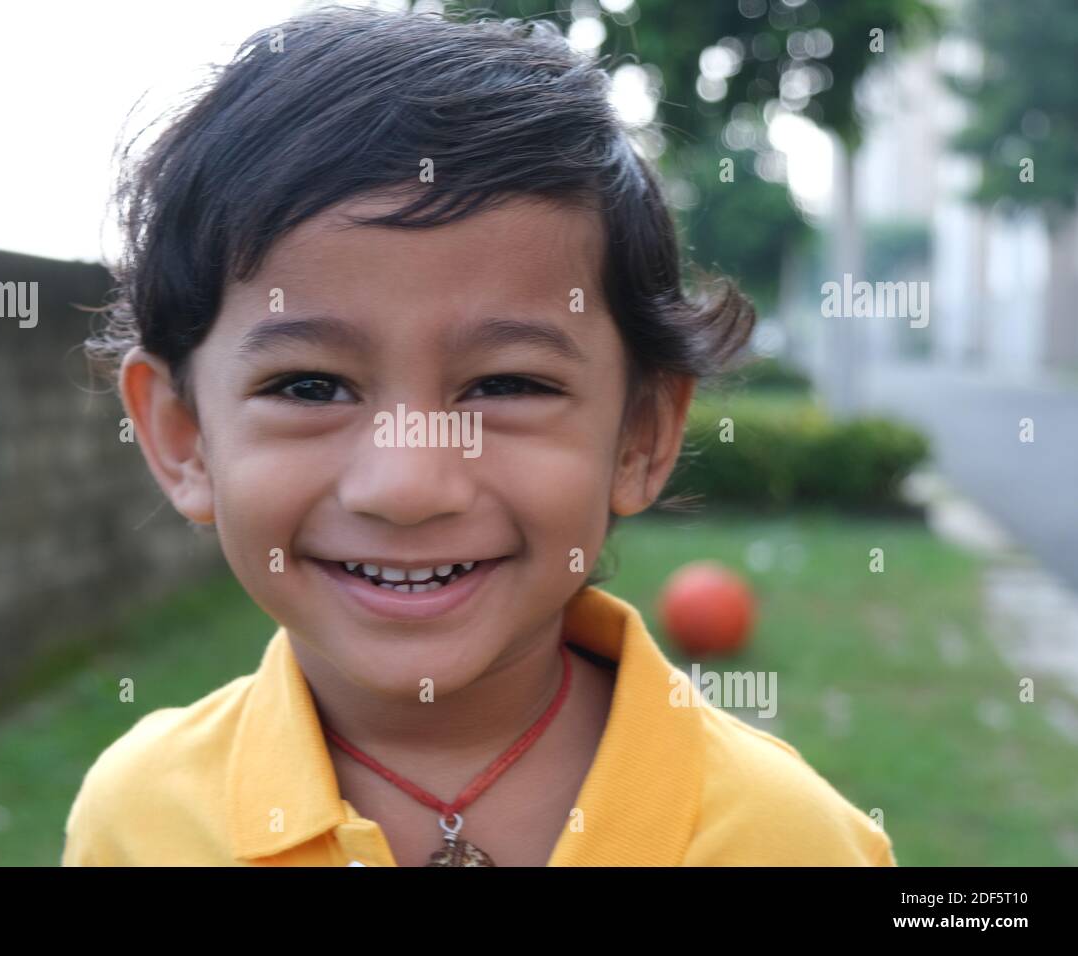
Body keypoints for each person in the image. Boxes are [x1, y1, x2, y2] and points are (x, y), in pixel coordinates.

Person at [63, 5, 895, 867]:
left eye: (505, 384)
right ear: (183, 436)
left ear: (639, 435)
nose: (408, 486)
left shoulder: (794, 843)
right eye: (310, 386)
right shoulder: (138, 824)